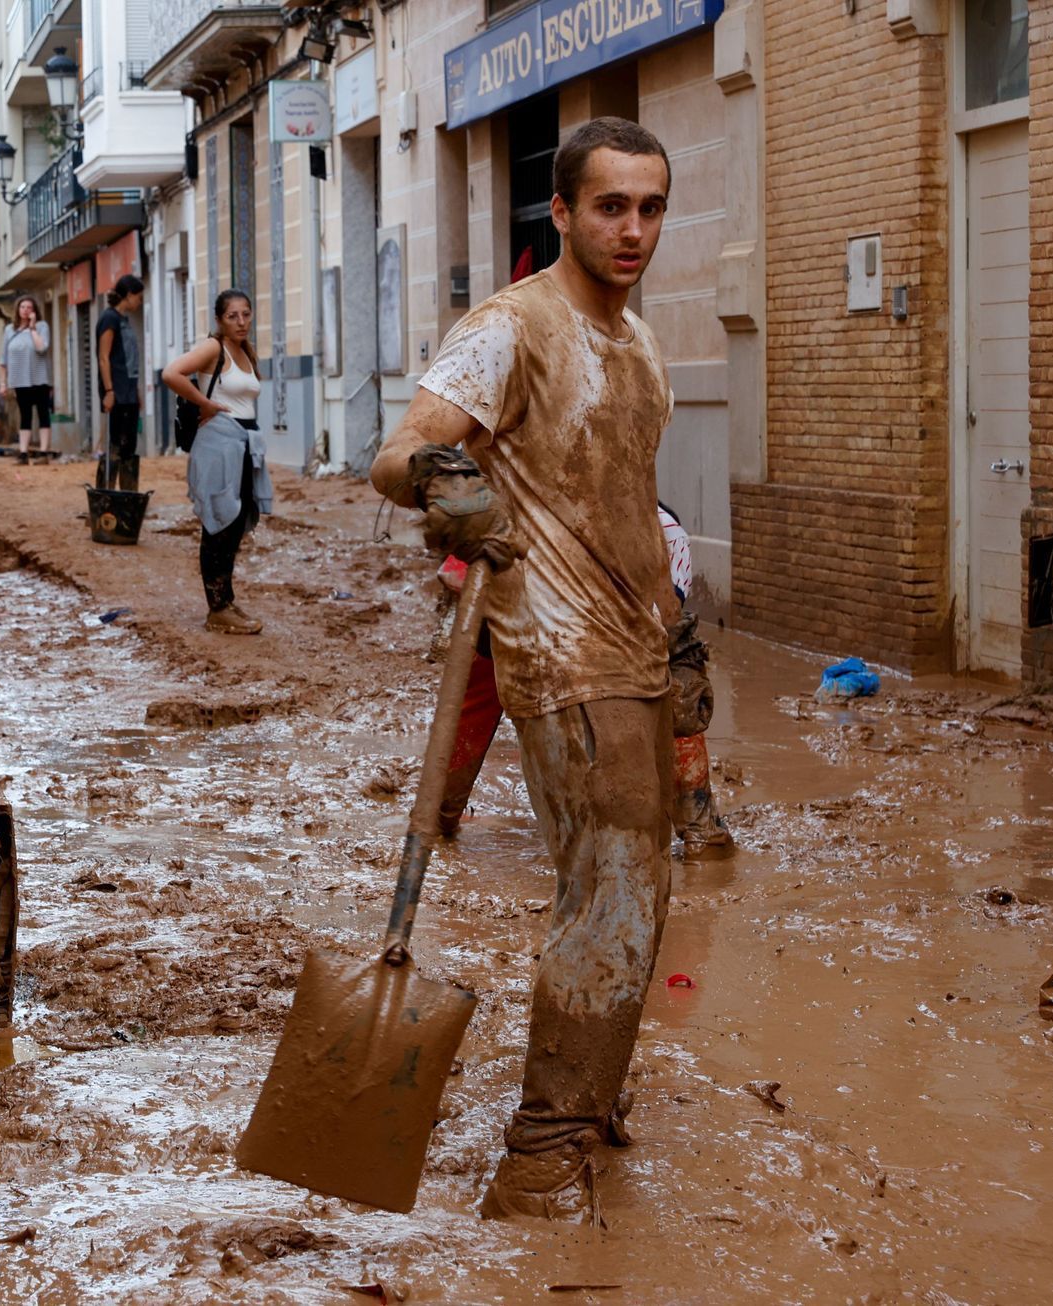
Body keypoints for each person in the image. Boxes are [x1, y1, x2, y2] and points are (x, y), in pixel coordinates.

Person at [369, 118, 682, 1223]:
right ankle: (539, 1160)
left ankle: (585, 1097)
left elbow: (632, 505)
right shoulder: (511, 327)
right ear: (559, 212)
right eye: (610, 206)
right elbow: (397, 451)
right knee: (612, 892)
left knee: (639, 886)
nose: (632, 228)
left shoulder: (638, 344)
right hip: (554, 648)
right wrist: (447, 483)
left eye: (649, 206)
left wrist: (676, 636)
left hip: (638, 644)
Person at [431, 502, 735, 855]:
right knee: (487, 688)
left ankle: (698, 828)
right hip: (520, 587)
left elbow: (656, 634)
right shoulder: (520, 514)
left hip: (619, 594)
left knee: (669, 687)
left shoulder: (661, 539)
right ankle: (440, 813)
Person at [163, 288, 272, 636]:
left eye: (246, 314)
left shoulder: (244, 349)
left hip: (244, 444)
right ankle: (218, 608)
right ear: (219, 320)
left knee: (236, 523)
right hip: (219, 444)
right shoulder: (215, 347)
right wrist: (204, 404)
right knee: (219, 524)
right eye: (232, 316)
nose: (241, 322)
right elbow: (171, 373)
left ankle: (225, 600)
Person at [95, 274, 145, 490]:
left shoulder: (124, 320)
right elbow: (104, 357)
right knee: (116, 444)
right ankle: (106, 495)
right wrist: (109, 391)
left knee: (129, 447)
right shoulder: (109, 318)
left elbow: (130, 361)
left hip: (129, 391)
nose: (140, 302)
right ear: (129, 295)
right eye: (139, 297)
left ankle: (128, 495)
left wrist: (136, 391)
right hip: (116, 391)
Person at [0, 295, 53, 461]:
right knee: (25, 415)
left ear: (35, 310)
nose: (25, 310)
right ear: (17, 310)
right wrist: (3, 383)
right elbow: (3, 360)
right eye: (22, 307)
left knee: (43, 413)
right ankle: (23, 452)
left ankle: (44, 452)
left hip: (40, 379)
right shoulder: (9, 330)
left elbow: (41, 348)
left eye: (29, 307)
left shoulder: (42, 326)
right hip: (20, 380)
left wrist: (32, 327)